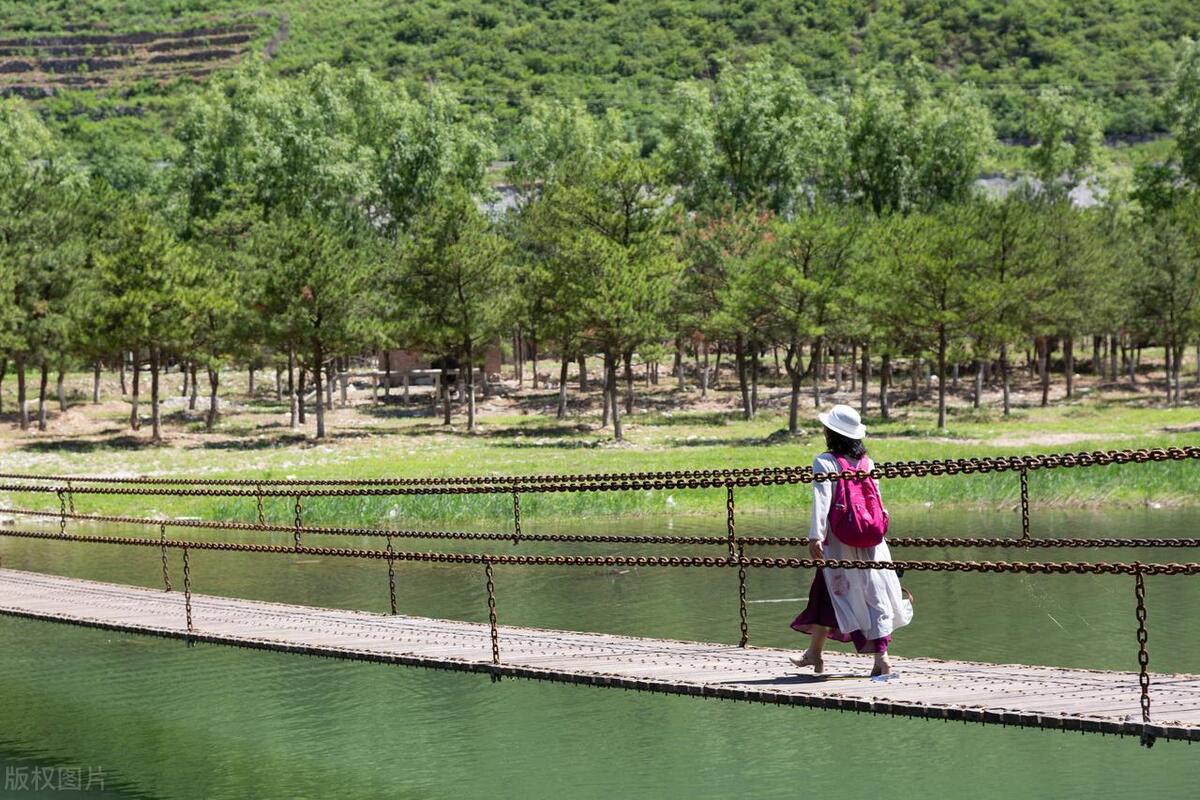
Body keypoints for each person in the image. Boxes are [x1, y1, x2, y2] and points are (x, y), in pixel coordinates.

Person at [789, 404, 912, 677]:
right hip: (871, 541)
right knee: (839, 590)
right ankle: (814, 654)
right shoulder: (867, 463)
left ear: (831, 432)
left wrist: (815, 536)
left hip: (839, 542)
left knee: (858, 594)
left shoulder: (825, 461)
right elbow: (879, 503)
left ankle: (883, 660)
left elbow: (822, 500)